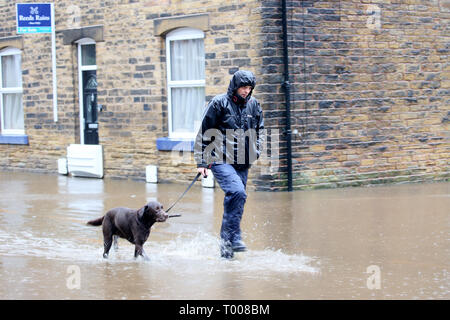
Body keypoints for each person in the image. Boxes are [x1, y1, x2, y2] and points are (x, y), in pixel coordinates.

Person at [194, 70, 264, 259]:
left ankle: (226, 250)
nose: (246, 91)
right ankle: (235, 238)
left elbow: (260, 130)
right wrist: (201, 161)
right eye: (243, 87)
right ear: (235, 86)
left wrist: (256, 150)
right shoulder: (219, 103)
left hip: (243, 161)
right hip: (219, 158)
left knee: (237, 201)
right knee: (237, 192)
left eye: (249, 88)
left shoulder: (254, 105)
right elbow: (205, 131)